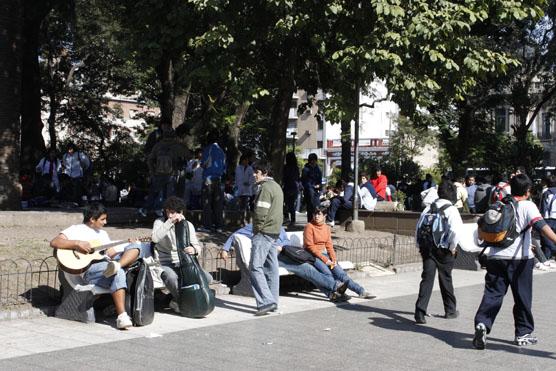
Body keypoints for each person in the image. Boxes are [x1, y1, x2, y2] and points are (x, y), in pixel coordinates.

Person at [472, 174, 556, 350]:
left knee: (493, 294)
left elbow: (481, 231)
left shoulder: (500, 204)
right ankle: (523, 333)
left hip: (495, 257)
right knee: (522, 296)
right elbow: (541, 227)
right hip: (520, 260)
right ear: (527, 191)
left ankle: (482, 324)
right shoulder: (528, 205)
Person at [50, 203, 143, 329]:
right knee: (118, 272)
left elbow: (111, 253)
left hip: (107, 265)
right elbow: (54, 242)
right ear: (92, 219)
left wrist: (128, 246)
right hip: (90, 269)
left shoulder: (103, 234)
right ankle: (122, 316)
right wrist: (77, 243)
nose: (105, 222)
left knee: (135, 247)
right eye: (102, 219)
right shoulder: (76, 229)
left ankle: (117, 265)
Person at [220, 224, 349, 302]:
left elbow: (286, 240)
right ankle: (335, 286)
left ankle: (332, 293)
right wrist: (225, 249)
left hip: (287, 253)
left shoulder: (279, 225)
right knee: (307, 270)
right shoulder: (256, 226)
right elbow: (235, 234)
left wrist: (282, 246)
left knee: (308, 270)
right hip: (273, 257)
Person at [151, 196, 211, 314]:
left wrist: (194, 250)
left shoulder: (187, 225)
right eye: (168, 212)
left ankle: (175, 300)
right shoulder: (160, 222)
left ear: (180, 212)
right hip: (164, 262)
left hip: (183, 262)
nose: (169, 215)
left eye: (172, 213)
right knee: (172, 278)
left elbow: (196, 245)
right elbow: (155, 238)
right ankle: (184, 303)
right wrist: (170, 222)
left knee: (207, 278)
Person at [414, 181, 463, 324]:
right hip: (444, 249)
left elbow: (418, 227)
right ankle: (450, 310)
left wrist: (419, 245)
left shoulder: (429, 208)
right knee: (445, 278)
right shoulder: (451, 209)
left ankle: (420, 312)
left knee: (427, 279)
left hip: (427, 248)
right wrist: (452, 247)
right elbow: (455, 231)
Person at [304, 206, 375, 299]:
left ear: (324, 215)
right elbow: (310, 247)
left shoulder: (326, 228)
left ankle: (361, 291)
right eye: (315, 214)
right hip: (313, 256)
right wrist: (326, 260)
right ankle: (338, 293)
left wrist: (333, 258)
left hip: (324, 255)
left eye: (319, 214)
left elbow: (329, 245)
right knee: (327, 273)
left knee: (341, 274)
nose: (316, 216)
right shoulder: (309, 226)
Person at [250, 161, 284, 315]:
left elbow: (260, 213)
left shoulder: (264, 188)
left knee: (255, 267)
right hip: (274, 232)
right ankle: (273, 301)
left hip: (263, 232)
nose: (254, 175)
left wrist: (256, 230)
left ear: (264, 173)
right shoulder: (277, 186)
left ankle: (266, 301)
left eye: (256, 172)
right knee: (272, 268)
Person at [142, 124, 188, 217]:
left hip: (159, 173)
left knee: (155, 193)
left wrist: (152, 171)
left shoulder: (158, 145)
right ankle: (167, 213)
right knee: (169, 196)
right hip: (171, 174)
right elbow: (188, 155)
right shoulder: (176, 146)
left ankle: (146, 209)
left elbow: (150, 160)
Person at [198, 132, 226, 233]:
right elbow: (224, 167)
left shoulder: (208, 149)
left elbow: (204, 163)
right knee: (218, 203)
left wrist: (202, 164)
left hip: (208, 178)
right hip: (219, 179)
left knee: (207, 203)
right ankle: (219, 226)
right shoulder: (222, 151)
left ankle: (207, 226)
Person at [301, 153, 322, 221]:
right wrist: (312, 186)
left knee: (317, 206)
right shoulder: (305, 169)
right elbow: (304, 181)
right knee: (310, 207)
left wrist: (319, 185)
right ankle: (310, 222)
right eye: (312, 160)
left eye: (314, 160)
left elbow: (320, 180)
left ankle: (316, 221)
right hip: (309, 191)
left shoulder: (318, 169)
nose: (313, 162)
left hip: (316, 191)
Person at [235, 154, 255, 226]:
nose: (246, 161)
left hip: (247, 190)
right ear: (242, 160)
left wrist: (249, 183)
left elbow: (252, 178)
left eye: (247, 160)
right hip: (240, 189)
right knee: (241, 206)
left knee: (246, 205)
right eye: (245, 160)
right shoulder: (238, 168)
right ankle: (241, 220)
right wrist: (237, 186)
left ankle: (247, 221)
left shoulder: (250, 168)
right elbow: (237, 178)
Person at [283, 152, 300, 227]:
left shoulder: (286, 167)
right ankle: (293, 220)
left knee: (286, 203)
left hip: (287, 187)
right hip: (294, 187)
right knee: (291, 205)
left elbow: (284, 177)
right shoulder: (296, 168)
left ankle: (287, 218)